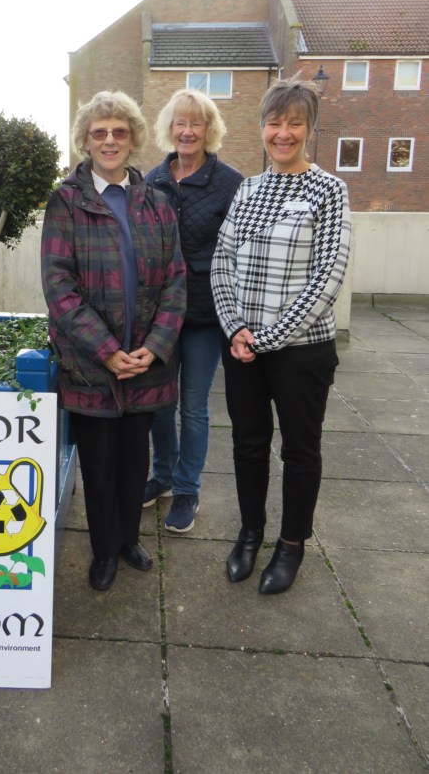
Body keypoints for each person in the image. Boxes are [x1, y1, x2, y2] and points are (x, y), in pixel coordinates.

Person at [211, 77, 351, 594]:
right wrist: (236, 327)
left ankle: (291, 545)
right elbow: (221, 262)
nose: (283, 133)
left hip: (302, 351)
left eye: (295, 123)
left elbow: (327, 277)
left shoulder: (329, 190)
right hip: (243, 346)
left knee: (300, 450)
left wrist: (267, 338)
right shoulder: (248, 189)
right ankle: (250, 533)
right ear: (262, 128)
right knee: (248, 445)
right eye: (275, 122)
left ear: (309, 129)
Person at [41, 90, 186, 591]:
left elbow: (175, 281)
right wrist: (107, 351)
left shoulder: (158, 203)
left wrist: (156, 347)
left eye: (119, 132)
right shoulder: (65, 201)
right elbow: (59, 286)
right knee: (99, 466)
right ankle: (103, 551)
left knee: (134, 463)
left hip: (147, 363)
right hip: (91, 366)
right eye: (99, 132)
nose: (109, 140)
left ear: (133, 139)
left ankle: (129, 540)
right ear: (85, 140)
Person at [143, 89, 242, 532]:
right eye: (180, 123)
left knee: (194, 407)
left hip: (204, 314)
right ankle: (162, 476)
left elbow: (240, 250)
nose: (187, 131)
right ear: (169, 128)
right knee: (160, 404)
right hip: (160, 316)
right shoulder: (152, 181)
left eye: (196, 123)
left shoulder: (230, 183)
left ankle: (187, 490)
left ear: (209, 130)